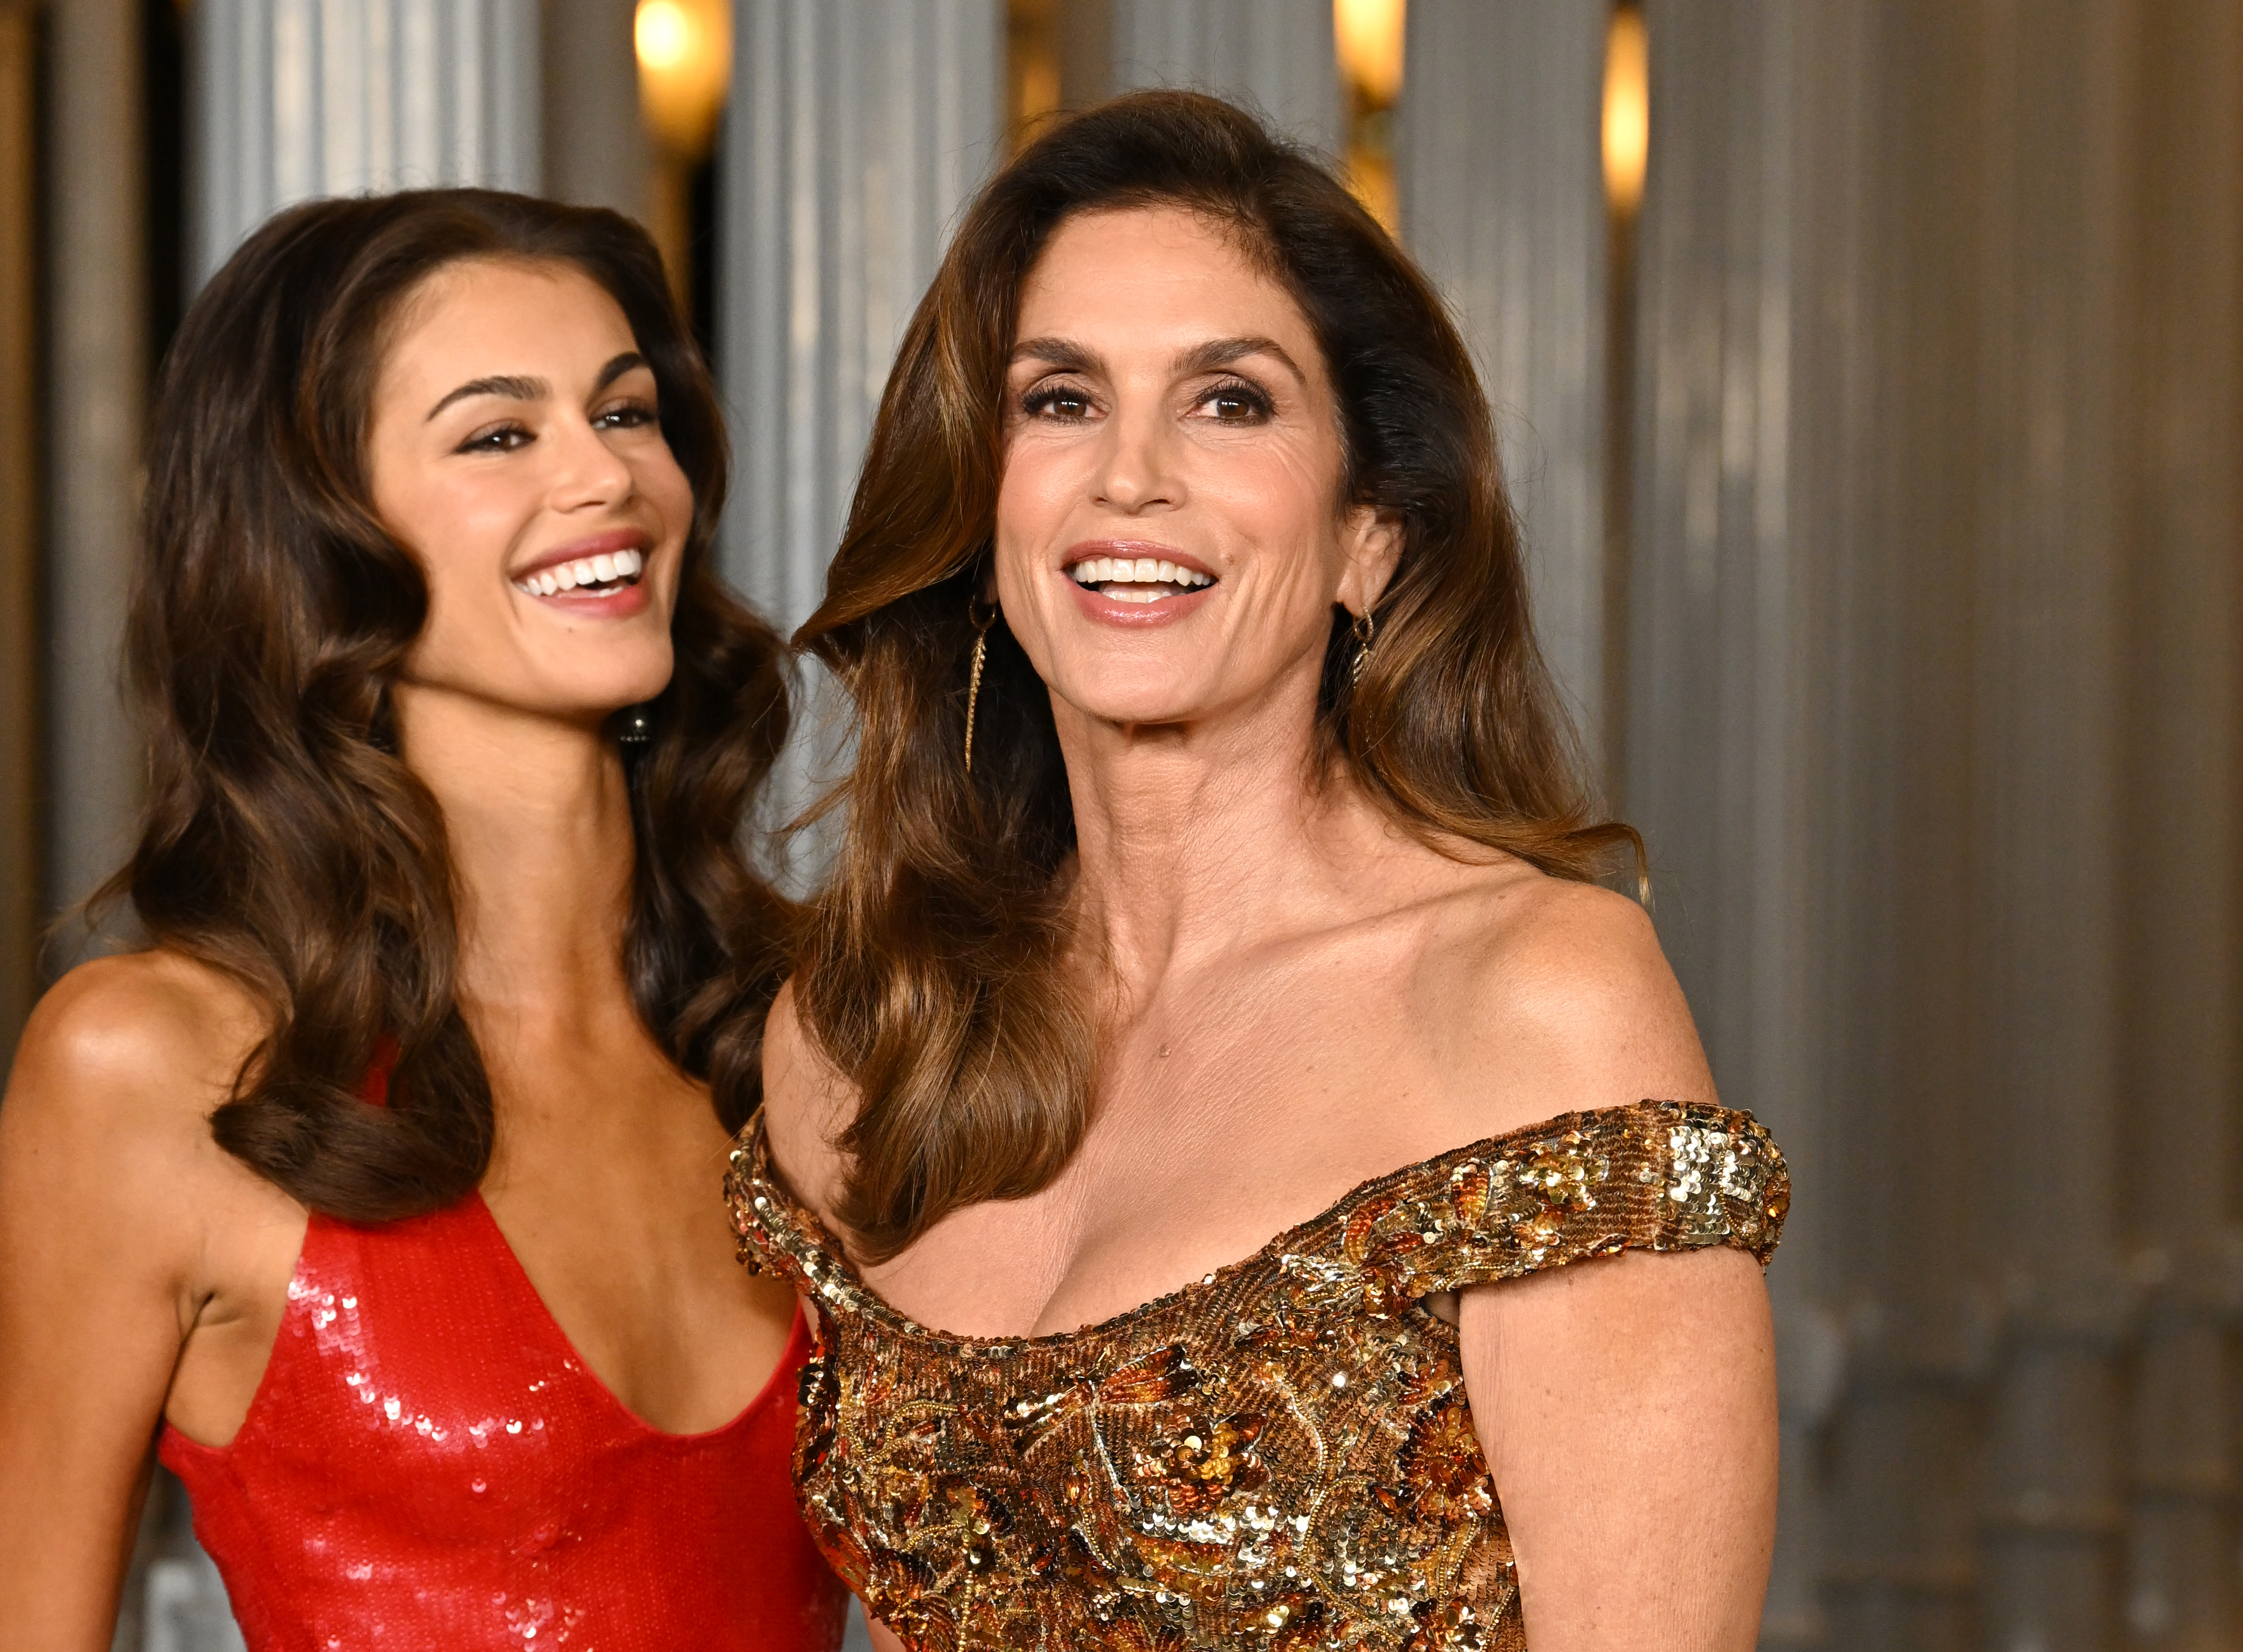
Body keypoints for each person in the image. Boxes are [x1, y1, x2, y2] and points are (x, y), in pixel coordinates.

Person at [732, 91, 1787, 1652]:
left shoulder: (1532, 1005)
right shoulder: (865, 1030)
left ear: (1371, 534)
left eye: (1230, 402)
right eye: (1059, 400)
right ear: (979, 500)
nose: (1133, 478)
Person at [0, 189, 851, 1652]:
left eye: (626, 414)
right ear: (316, 528)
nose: (608, 478)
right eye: (501, 434)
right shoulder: (151, 1067)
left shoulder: (807, 1033)